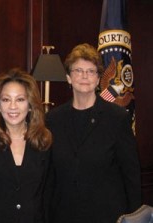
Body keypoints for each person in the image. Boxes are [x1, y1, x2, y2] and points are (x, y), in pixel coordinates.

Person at [45, 43, 142, 223]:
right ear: (68, 77)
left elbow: (131, 176)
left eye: (91, 71)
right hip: (64, 215)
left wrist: (134, 218)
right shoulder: (53, 119)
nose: (84, 76)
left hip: (107, 215)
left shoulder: (117, 118)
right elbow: (50, 176)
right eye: (78, 70)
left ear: (98, 79)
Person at [0, 68, 52, 223]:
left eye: (20, 99)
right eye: (6, 99)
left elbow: (49, 192)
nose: (13, 106)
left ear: (30, 105)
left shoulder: (44, 140)